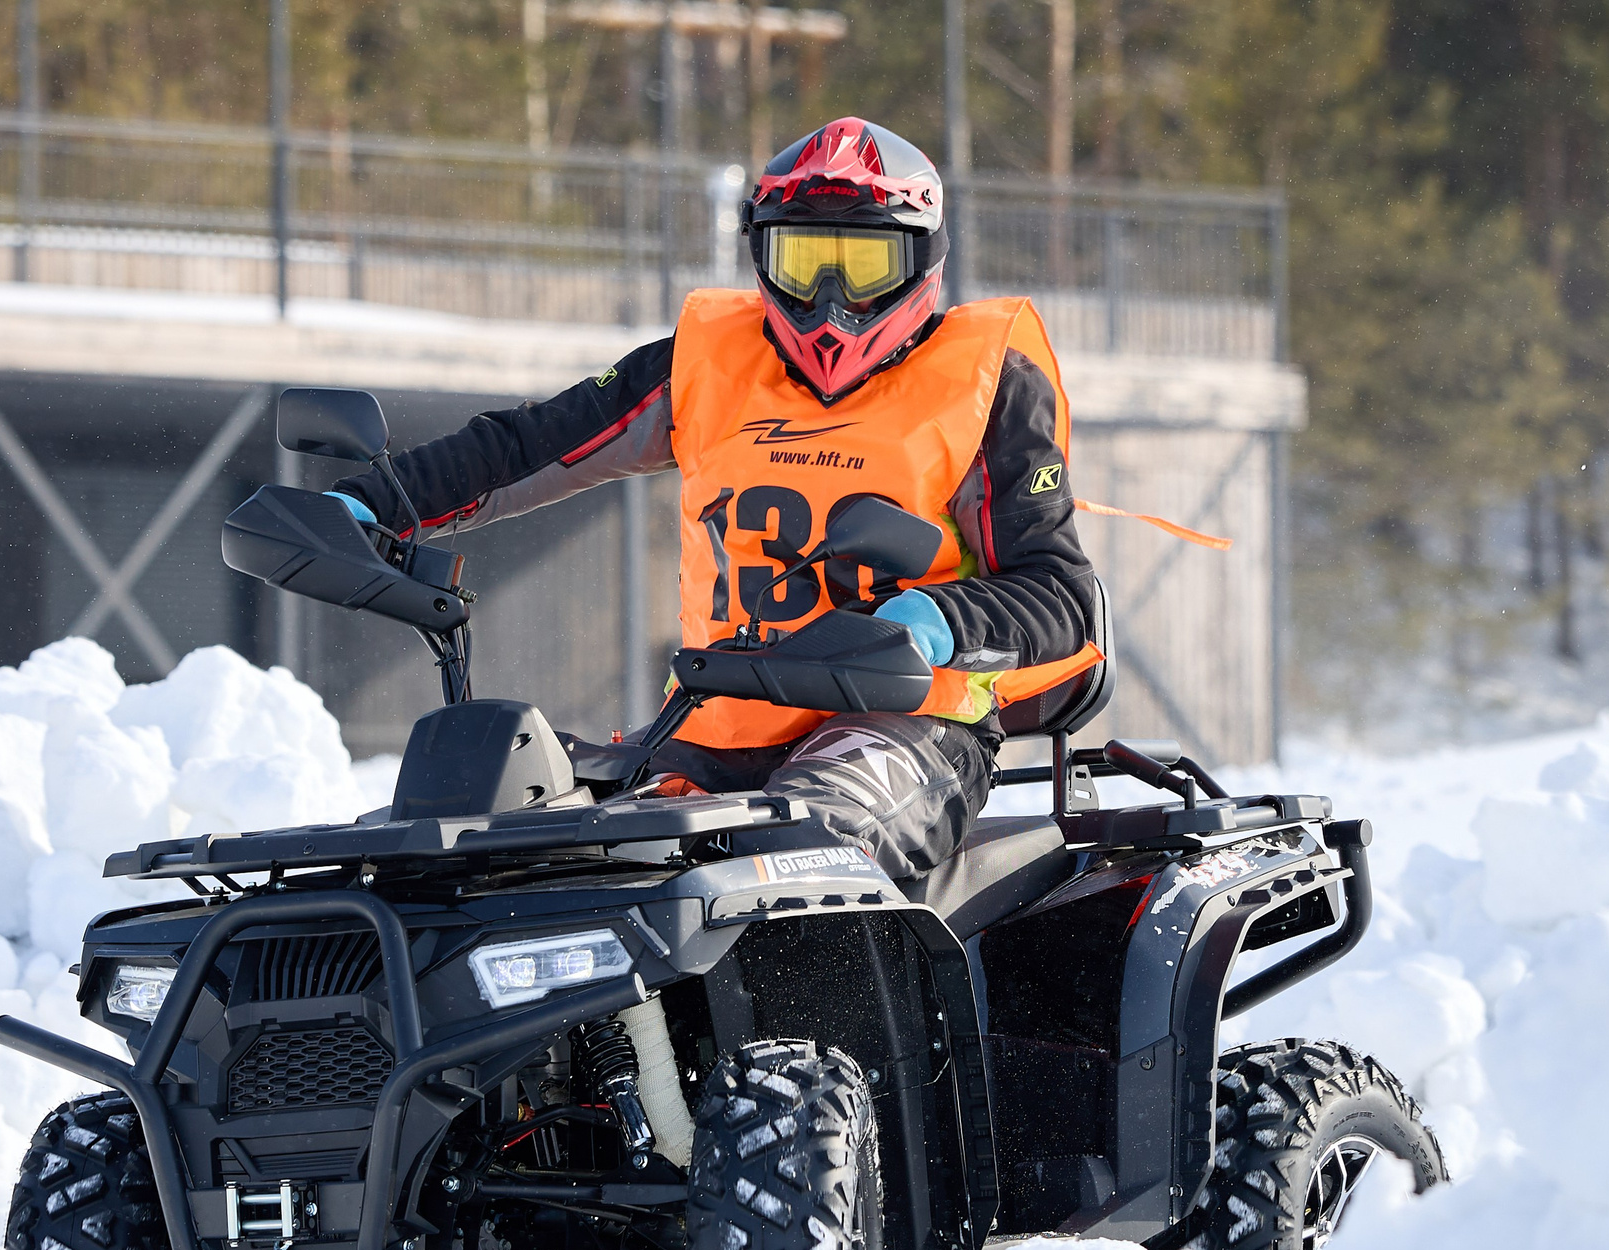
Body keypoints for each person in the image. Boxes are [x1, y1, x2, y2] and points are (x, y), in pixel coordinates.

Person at [332, 116, 1103, 883]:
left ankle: (824, 1009)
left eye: (864, 267)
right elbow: (526, 444)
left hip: (905, 728)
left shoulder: (989, 386)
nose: (830, 301)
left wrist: (936, 623)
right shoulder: (704, 364)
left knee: (795, 854)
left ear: (922, 261)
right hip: (712, 722)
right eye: (802, 263)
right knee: (526, 859)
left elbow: (1061, 594)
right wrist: (370, 504)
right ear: (761, 256)